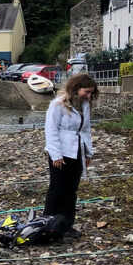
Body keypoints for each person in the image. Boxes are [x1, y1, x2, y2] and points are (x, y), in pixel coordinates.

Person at [44, 73, 99, 238]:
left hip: (78, 151)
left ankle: (66, 224)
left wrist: (88, 153)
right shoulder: (57, 104)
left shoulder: (85, 105)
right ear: (76, 89)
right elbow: (51, 130)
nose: (88, 96)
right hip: (61, 152)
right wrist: (56, 155)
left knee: (71, 190)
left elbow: (86, 130)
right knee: (57, 189)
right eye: (86, 92)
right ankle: (48, 223)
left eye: (91, 93)